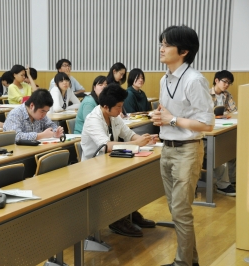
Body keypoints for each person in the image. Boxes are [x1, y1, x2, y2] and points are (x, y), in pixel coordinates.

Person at [151, 25, 215, 266]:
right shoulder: (164, 79)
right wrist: (159, 118)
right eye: (162, 43)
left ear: (184, 51)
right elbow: (166, 114)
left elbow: (207, 124)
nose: (162, 48)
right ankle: (191, 261)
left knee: (180, 211)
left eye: (167, 44)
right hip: (166, 148)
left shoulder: (194, 80)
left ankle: (182, 263)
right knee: (176, 211)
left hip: (187, 150)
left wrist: (172, 120)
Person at [81, 84, 157, 237]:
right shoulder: (93, 119)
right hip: (92, 167)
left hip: (110, 161)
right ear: (105, 106)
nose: (120, 110)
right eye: (118, 107)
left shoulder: (114, 116)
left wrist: (145, 139)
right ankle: (117, 218)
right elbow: (107, 146)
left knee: (134, 175)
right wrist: (136, 144)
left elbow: (129, 135)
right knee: (123, 179)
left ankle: (129, 211)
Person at [207, 70, 236, 194]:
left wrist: (227, 115)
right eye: (225, 81)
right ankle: (223, 184)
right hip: (209, 131)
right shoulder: (206, 94)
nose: (227, 85)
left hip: (222, 127)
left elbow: (234, 110)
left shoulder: (227, 95)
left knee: (233, 148)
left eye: (229, 83)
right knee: (221, 151)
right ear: (216, 80)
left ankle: (233, 179)